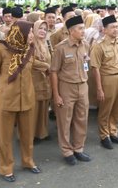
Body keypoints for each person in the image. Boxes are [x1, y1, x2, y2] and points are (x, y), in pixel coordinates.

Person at [0, 20, 40, 182]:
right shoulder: (2, 49)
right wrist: (6, 82)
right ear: (20, 33)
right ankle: (6, 169)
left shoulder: (30, 49)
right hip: (6, 100)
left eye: (32, 31)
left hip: (27, 99)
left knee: (27, 135)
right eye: (30, 32)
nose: (32, 35)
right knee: (5, 137)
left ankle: (28, 161)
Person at [50, 15, 92, 165]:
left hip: (83, 86)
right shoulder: (61, 48)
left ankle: (78, 148)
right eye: (80, 29)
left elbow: (86, 63)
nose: (83, 31)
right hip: (66, 87)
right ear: (71, 31)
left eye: (83, 28)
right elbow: (53, 71)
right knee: (65, 121)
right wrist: (56, 95)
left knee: (81, 119)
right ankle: (67, 151)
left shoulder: (85, 45)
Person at [90, 15, 118, 149]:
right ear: (104, 30)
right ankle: (104, 135)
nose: (115, 29)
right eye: (112, 27)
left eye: (117, 27)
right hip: (108, 79)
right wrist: (99, 88)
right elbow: (95, 68)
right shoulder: (98, 46)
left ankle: (113, 132)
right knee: (105, 110)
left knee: (117, 109)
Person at [32, 20, 52, 142]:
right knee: (34, 109)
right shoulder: (30, 43)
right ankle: (31, 134)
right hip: (34, 80)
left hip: (45, 80)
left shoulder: (46, 44)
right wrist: (46, 66)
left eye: (45, 29)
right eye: (40, 28)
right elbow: (31, 61)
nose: (43, 31)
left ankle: (42, 133)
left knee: (44, 108)